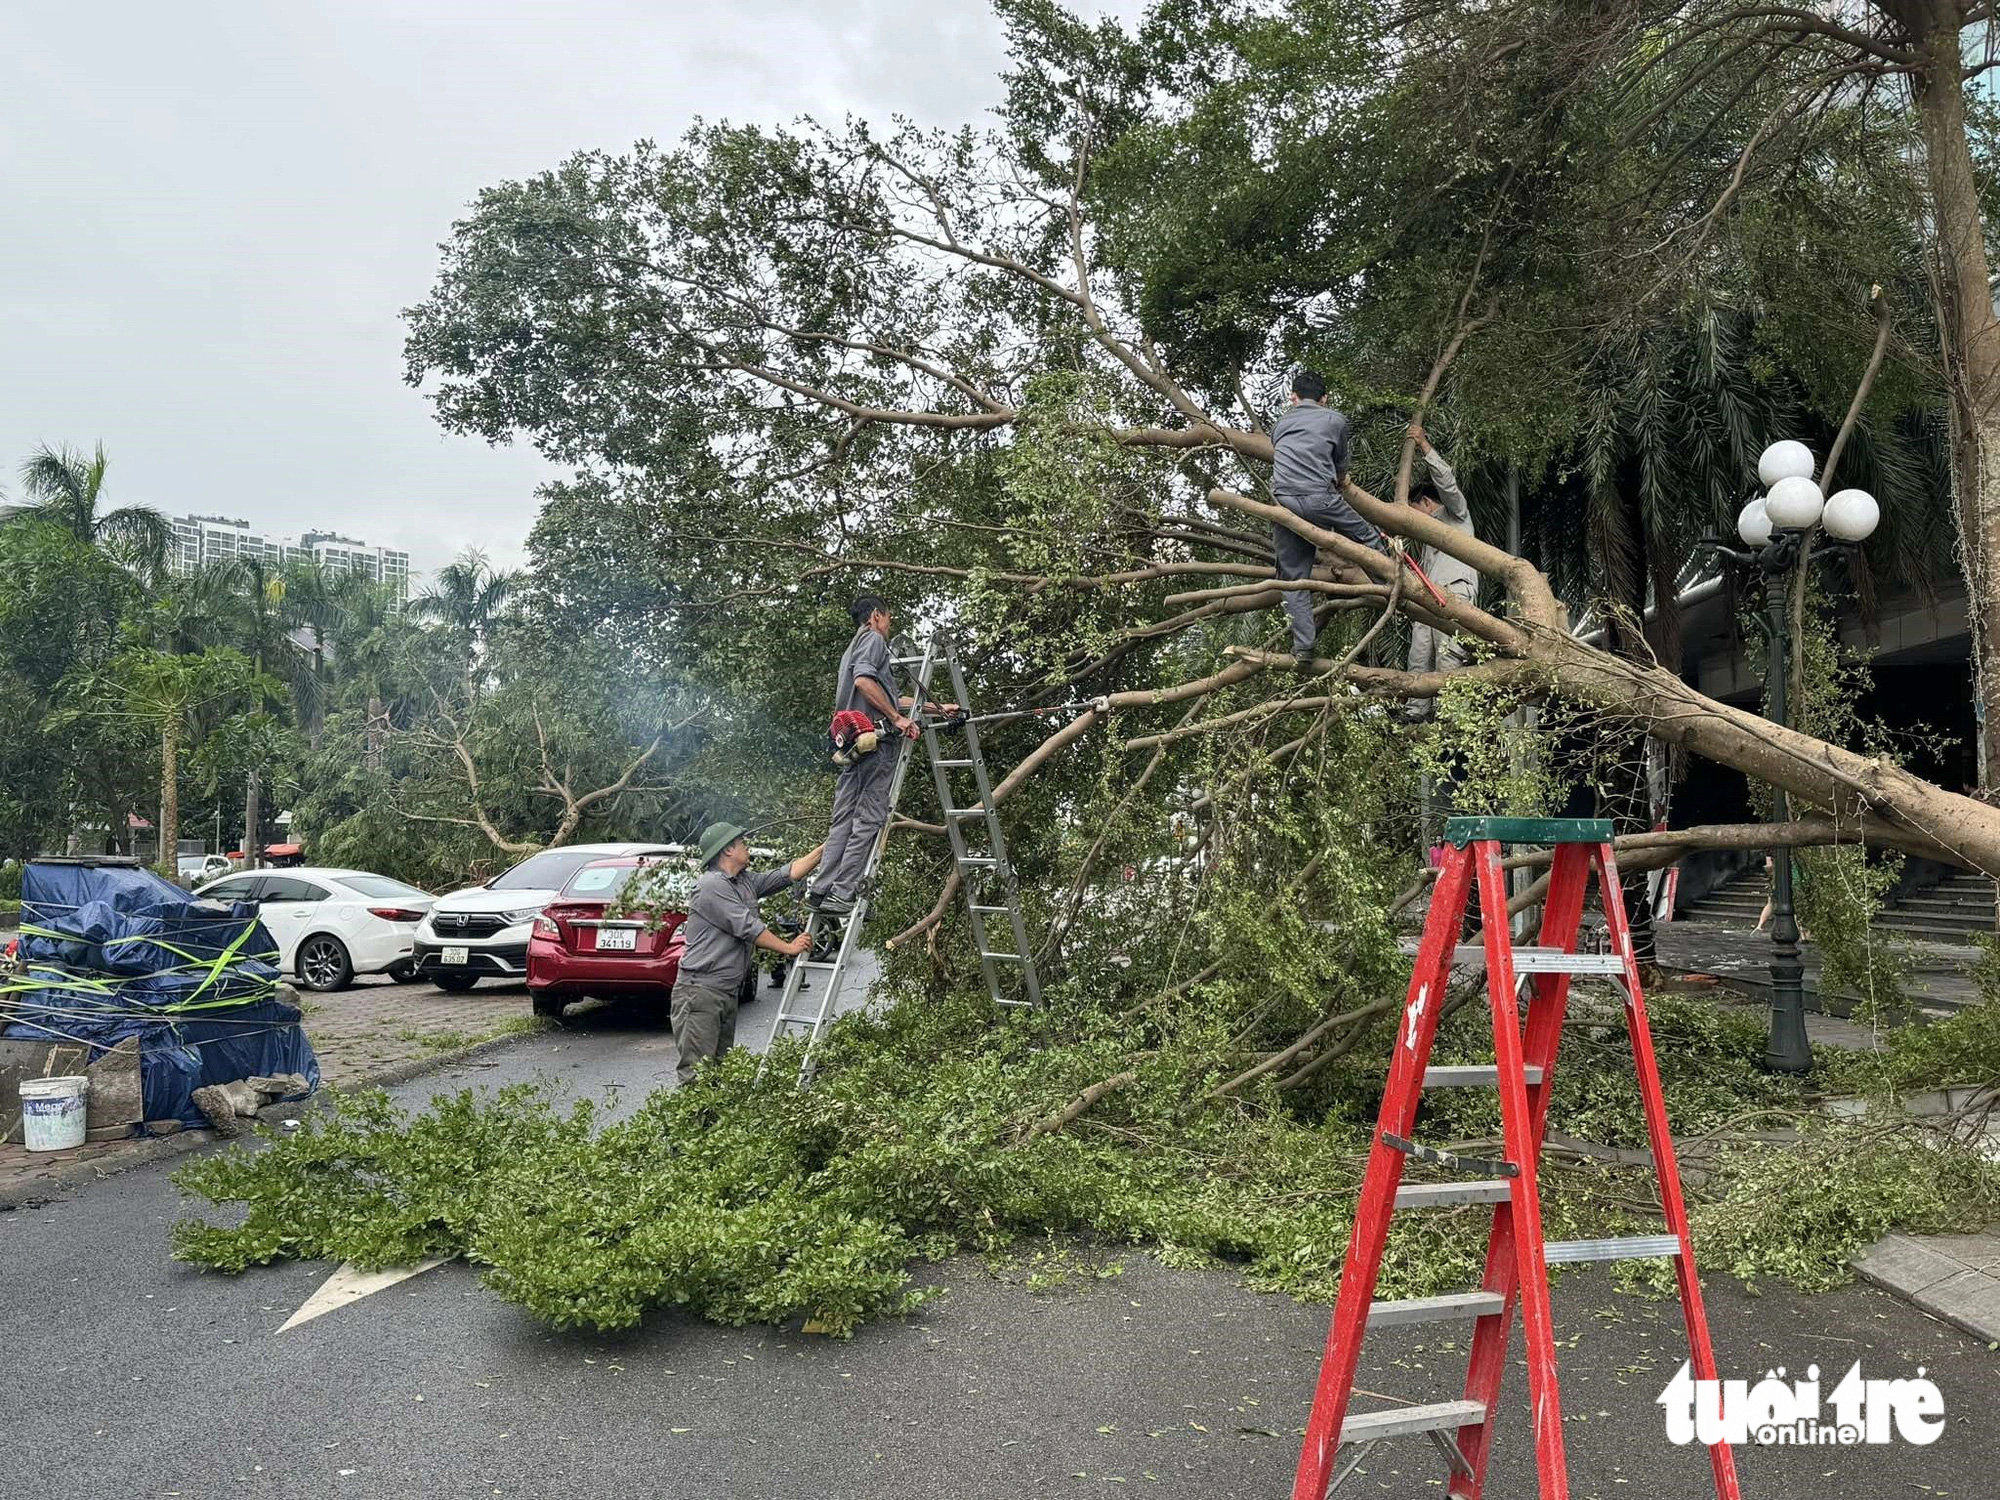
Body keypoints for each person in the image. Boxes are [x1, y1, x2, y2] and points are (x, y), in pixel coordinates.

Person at [672, 821, 821, 1086]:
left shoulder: (744, 882)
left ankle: (715, 1126)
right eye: (742, 842)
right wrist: (789, 947)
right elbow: (748, 927)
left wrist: (828, 847)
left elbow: (786, 874)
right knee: (698, 1077)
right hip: (700, 993)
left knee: (719, 1072)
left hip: (725, 991)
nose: (746, 845)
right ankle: (696, 1127)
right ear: (728, 850)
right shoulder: (711, 886)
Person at [809, 594, 925, 915]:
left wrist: (932, 708)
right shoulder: (873, 639)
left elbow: (880, 692)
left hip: (852, 746)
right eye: (888, 618)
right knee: (868, 818)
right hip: (876, 745)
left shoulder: (852, 648)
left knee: (843, 819)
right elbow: (864, 681)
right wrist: (898, 719)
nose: (889, 625)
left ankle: (821, 889)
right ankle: (844, 893)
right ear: (876, 615)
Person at [1269, 369, 1387, 664]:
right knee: (1368, 535)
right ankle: (1391, 585)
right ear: (1325, 398)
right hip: (1322, 499)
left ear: (1292, 397)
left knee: (1293, 576)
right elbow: (1340, 467)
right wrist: (1343, 480)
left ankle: (1304, 647)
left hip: (1283, 504)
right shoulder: (1335, 420)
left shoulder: (1280, 424)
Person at [1403, 421, 1480, 716]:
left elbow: (1447, 482)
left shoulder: (1456, 516)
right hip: (1428, 599)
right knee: (1419, 654)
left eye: (1412, 512)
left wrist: (1424, 445)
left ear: (1425, 502)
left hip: (1454, 593)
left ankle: (1450, 718)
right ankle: (1416, 713)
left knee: (1449, 656)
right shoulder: (1426, 543)